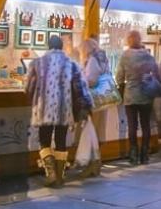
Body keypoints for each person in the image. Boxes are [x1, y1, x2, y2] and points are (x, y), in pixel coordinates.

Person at [26, 35, 91, 187]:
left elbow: (29, 87)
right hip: (64, 108)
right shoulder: (71, 63)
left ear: (48, 46)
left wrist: (33, 100)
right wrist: (85, 106)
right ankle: (60, 177)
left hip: (44, 108)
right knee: (61, 140)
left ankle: (51, 175)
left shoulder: (37, 63)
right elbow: (81, 88)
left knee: (44, 140)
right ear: (61, 47)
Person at [116, 30, 160, 165]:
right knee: (146, 125)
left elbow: (119, 77)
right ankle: (145, 154)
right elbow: (157, 74)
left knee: (132, 126)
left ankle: (133, 154)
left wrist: (123, 86)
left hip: (130, 96)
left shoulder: (125, 56)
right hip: (146, 95)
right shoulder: (147, 55)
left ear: (129, 41)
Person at [78, 37, 109, 178]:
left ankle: (93, 164)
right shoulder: (103, 58)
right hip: (103, 100)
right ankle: (96, 164)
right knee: (97, 132)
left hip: (93, 101)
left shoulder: (92, 60)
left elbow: (91, 80)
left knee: (91, 133)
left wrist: (81, 77)